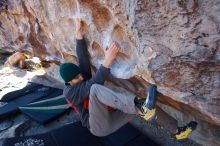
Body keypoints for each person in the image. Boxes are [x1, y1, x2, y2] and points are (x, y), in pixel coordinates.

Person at [59, 18, 158, 137]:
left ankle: (178, 130)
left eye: (79, 74)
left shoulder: (78, 79)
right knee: (95, 89)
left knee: (147, 104)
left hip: (112, 117)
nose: (81, 77)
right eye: (76, 77)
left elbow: (82, 58)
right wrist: (108, 60)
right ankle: (139, 107)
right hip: (98, 126)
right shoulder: (69, 93)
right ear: (69, 82)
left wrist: (78, 33)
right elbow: (93, 84)